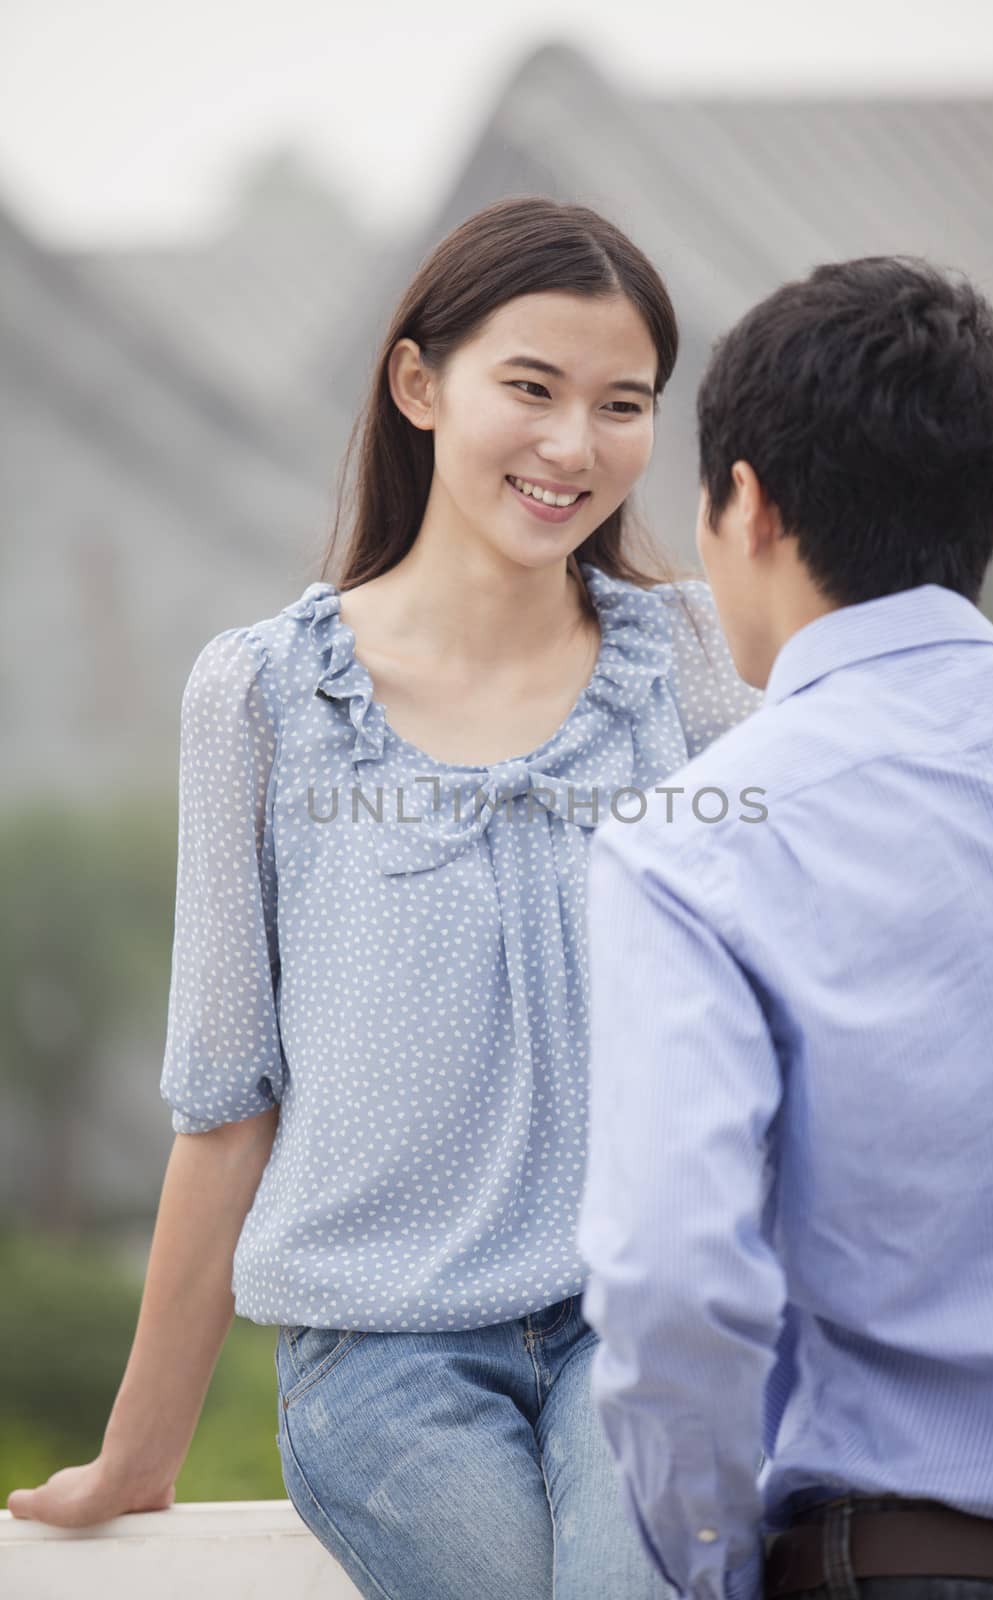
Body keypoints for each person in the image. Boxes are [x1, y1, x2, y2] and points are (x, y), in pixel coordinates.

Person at [6, 196, 763, 1600]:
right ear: (420, 384)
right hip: (384, 1358)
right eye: (529, 389)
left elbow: (801, 996)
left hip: (648, 1322)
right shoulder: (265, 695)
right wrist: (138, 1454)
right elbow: (226, 1097)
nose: (573, 445)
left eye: (623, 403)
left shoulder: (697, 669)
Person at [577, 255, 993, 1600]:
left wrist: (719, 1571)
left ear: (748, 504)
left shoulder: (691, 837)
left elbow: (677, 1278)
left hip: (907, 1560)